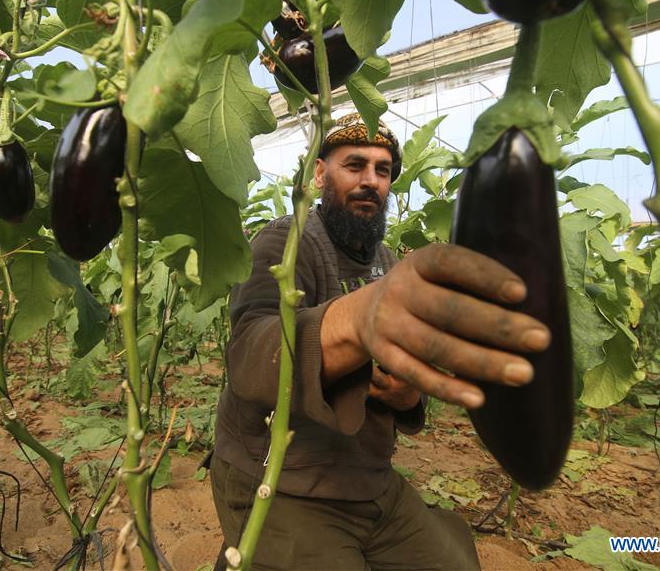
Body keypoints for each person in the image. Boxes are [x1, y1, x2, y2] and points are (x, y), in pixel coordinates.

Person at [208, 113, 552, 570]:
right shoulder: (284, 243)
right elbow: (250, 353)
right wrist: (358, 319)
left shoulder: (388, 260)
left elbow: (402, 373)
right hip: (279, 479)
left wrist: (409, 395)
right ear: (320, 173)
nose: (371, 180)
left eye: (383, 170)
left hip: (366, 480)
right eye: (354, 165)